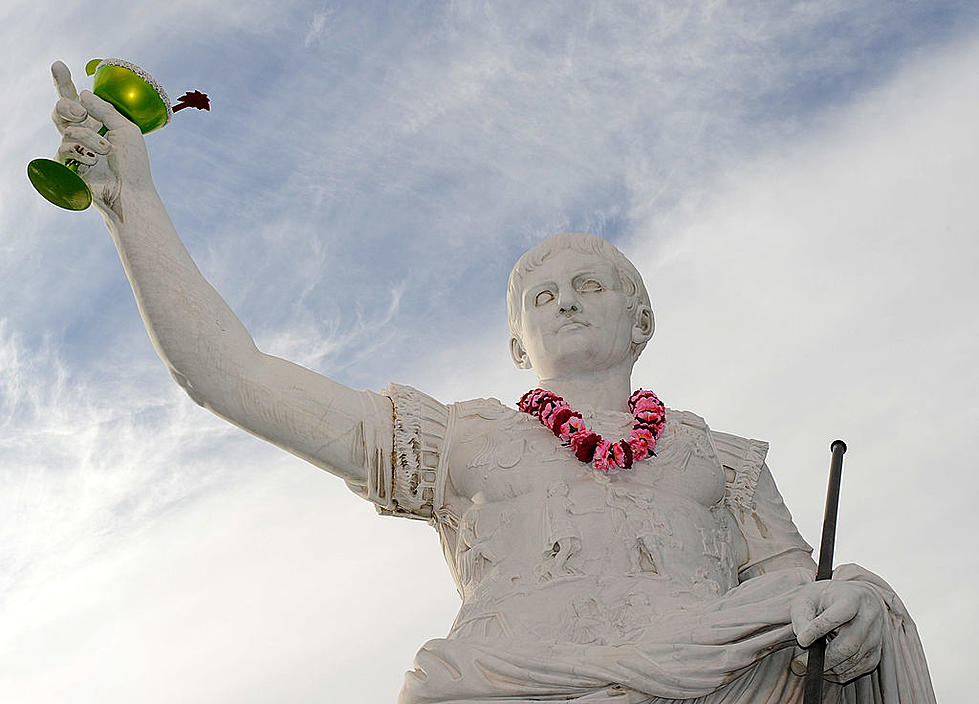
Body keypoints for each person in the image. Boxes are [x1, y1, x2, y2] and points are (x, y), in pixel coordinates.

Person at [46, 61, 936, 703]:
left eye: (591, 286)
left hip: (715, 684)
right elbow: (229, 375)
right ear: (518, 347)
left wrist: (848, 604)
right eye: (539, 297)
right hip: (504, 683)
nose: (565, 302)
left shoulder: (725, 460)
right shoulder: (456, 439)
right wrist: (134, 203)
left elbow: (795, 593)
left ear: (641, 319)